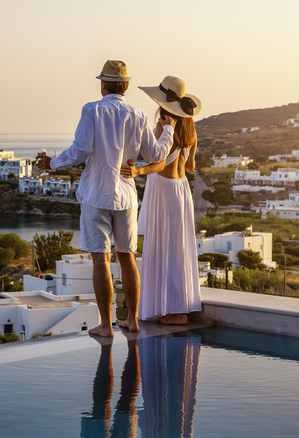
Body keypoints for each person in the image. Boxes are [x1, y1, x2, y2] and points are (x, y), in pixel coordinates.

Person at [37, 60, 176, 337]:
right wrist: (169, 128)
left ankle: (105, 325)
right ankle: (133, 320)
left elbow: (79, 150)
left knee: (100, 260)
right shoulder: (137, 114)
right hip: (125, 197)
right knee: (127, 258)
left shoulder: (93, 110)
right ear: (125, 86)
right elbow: (157, 154)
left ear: (103, 85)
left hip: (96, 194)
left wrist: (51, 162)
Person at [120, 75, 202, 325]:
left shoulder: (162, 129)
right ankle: (177, 309)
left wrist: (137, 171)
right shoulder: (190, 131)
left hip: (164, 192)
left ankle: (172, 312)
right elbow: (190, 167)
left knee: (162, 251)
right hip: (180, 191)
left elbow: (156, 163)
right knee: (177, 251)